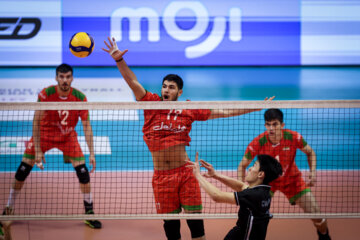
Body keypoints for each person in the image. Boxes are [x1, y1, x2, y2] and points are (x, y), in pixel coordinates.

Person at [102, 37, 274, 240]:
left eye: (171, 87)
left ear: (179, 92)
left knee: (195, 225)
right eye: (164, 86)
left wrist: (256, 106)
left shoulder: (188, 109)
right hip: (162, 178)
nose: (166, 90)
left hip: (185, 173)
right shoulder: (151, 103)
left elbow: (225, 111)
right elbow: (132, 82)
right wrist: (119, 60)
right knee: (171, 227)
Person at [2, 64, 101, 229]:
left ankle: (89, 213)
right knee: (22, 170)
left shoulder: (80, 97)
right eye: (61, 77)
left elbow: (87, 126)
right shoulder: (46, 94)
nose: (65, 80)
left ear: (72, 78)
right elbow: (36, 120)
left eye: (68, 77)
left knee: (83, 173)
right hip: (45, 134)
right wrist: (39, 150)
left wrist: (92, 153)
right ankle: (9, 208)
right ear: (56, 78)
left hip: (68, 137)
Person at [238, 108, 331, 240]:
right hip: (267, 183)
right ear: (265, 125)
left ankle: (325, 236)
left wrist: (312, 171)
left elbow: (310, 152)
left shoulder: (293, 137)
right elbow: (242, 165)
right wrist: (242, 188)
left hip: (292, 180)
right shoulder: (258, 142)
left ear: (282, 125)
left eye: (274, 124)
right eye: (268, 124)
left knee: (317, 214)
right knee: (256, 218)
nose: (271, 128)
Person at [187, 153, 282, 240]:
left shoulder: (253, 195)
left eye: (254, 166)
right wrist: (215, 175)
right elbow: (241, 186)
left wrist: (198, 175)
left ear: (260, 174)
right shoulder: (264, 191)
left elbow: (217, 196)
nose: (249, 168)